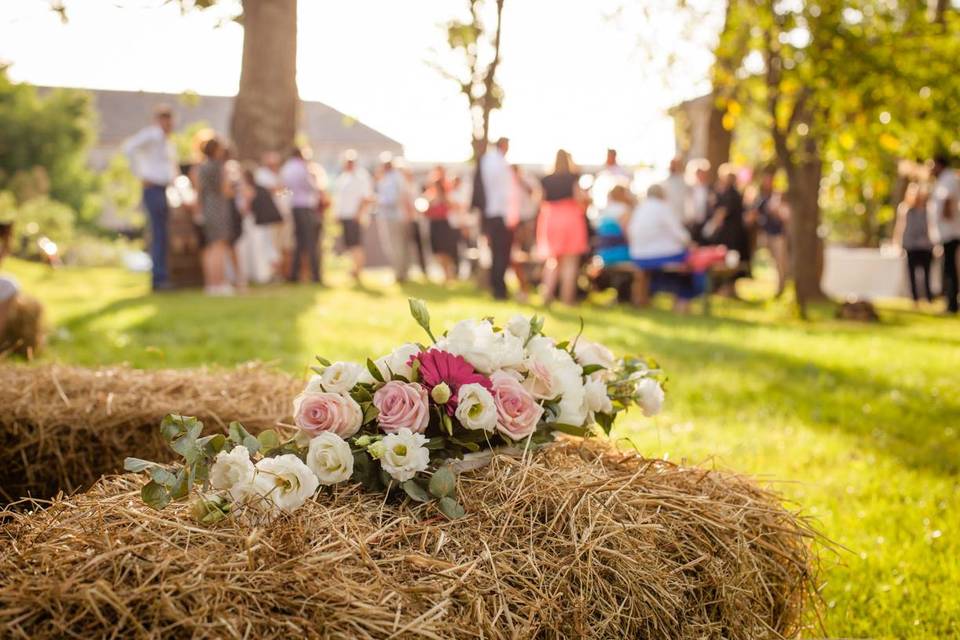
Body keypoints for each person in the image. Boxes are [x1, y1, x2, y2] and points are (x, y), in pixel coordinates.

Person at [123, 104, 177, 291]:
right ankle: (158, 278)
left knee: (162, 234)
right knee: (158, 234)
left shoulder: (166, 140)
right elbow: (129, 148)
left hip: (162, 189)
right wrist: (140, 175)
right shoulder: (152, 135)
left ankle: (162, 276)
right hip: (152, 188)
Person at [625, 184, 700, 312]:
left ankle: (642, 299)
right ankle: (683, 300)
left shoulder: (640, 209)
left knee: (649, 271)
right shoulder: (664, 208)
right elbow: (680, 234)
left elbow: (630, 232)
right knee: (690, 262)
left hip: (638, 256)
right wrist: (690, 243)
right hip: (661, 255)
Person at [538, 149, 589, 306]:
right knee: (570, 261)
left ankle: (547, 296)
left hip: (551, 218)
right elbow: (580, 198)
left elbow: (539, 200)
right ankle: (567, 298)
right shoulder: (572, 178)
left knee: (552, 260)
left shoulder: (546, 179)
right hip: (570, 218)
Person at [191, 137, 235, 296]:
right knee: (219, 247)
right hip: (218, 208)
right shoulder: (219, 167)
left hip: (207, 208)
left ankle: (210, 284)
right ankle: (220, 284)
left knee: (210, 248)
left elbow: (199, 191)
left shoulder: (201, 167)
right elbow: (225, 190)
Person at [702, 164, 750, 294]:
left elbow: (722, 212)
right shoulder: (730, 193)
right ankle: (727, 289)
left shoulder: (730, 194)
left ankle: (727, 289)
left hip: (730, 234)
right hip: (733, 232)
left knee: (728, 260)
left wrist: (710, 228)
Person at [281, 147, 323, 284]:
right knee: (311, 242)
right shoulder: (302, 168)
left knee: (298, 242)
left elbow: (284, 188)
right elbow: (311, 186)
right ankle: (316, 275)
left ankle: (294, 274)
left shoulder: (286, 168)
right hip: (305, 206)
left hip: (294, 206)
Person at [332, 150, 374, 281]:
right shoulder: (343, 177)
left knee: (356, 244)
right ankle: (353, 270)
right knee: (350, 245)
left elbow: (366, 197)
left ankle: (358, 271)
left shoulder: (361, 176)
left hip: (354, 216)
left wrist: (359, 214)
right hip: (345, 216)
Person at [480, 137, 514, 299]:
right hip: (500, 214)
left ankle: (496, 286)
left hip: (491, 213)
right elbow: (504, 192)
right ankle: (499, 288)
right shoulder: (499, 162)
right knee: (501, 253)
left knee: (496, 253)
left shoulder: (487, 160)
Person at [894, 183, 935, 306]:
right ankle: (914, 298)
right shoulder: (905, 208)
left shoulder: (928, 209)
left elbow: (931, 227)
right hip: (911, 245)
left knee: (927, 273)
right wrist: (898, 242)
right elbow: (900, 227)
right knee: (911, 273)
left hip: (925, 246)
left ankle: (928, 297)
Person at [748, 169, 788, 297]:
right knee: (763, 259)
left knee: (780, 261)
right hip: (763, 233)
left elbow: (784, 215)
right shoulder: (760, 197)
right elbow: (753, 215)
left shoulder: (778, 196)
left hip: (777, 233)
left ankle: (781, 288)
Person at [930, 154, 960, 313]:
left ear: (940, 165)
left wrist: (945, 219)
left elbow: (948, 200)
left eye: (933, 165)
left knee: (950, 269)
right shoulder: (944, 179)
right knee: (948, 268)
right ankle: (950, 302)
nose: (931, 169)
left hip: (950, 232)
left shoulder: (948, 178)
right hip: (946, 232)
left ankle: (952, 304)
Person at [375, 153, 412, 283]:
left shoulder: (391, 179)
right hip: (397, 216)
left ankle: (400, 273)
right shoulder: (396, 178)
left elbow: (392, 200)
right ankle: (402, 272)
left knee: (396, 246)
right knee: (400, 245)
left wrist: (376, 200)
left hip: (393, 217)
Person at [508, 164, 542, 300]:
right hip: (514, 224)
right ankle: (523, 288)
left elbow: (536, 195)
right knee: (515, 257)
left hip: (527, 221)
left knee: (527, 256)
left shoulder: (528, 180)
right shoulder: (507, 184)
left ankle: (528, 287)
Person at [424, 166, 458, 282]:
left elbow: (454, 208)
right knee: (438, 251)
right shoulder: (430, 197)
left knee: (446, 250)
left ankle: (449, 274)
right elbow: (425, 212)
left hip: (444, 225)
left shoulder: (447, 197)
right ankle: (445, 274)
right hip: (435, 225)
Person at [662, 156, 691, 225]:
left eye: (677, 165)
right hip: (669, 218)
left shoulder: (686, 182)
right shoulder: (665, 183)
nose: (675, 167)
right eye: (673, 165)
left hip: (683, 218)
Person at [687, 159, 713, 234]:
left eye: (704, 173)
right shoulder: (690, 189)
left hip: (706, 222)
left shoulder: (711, 189)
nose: (702, 175)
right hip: (692, 223)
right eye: (699, 173)